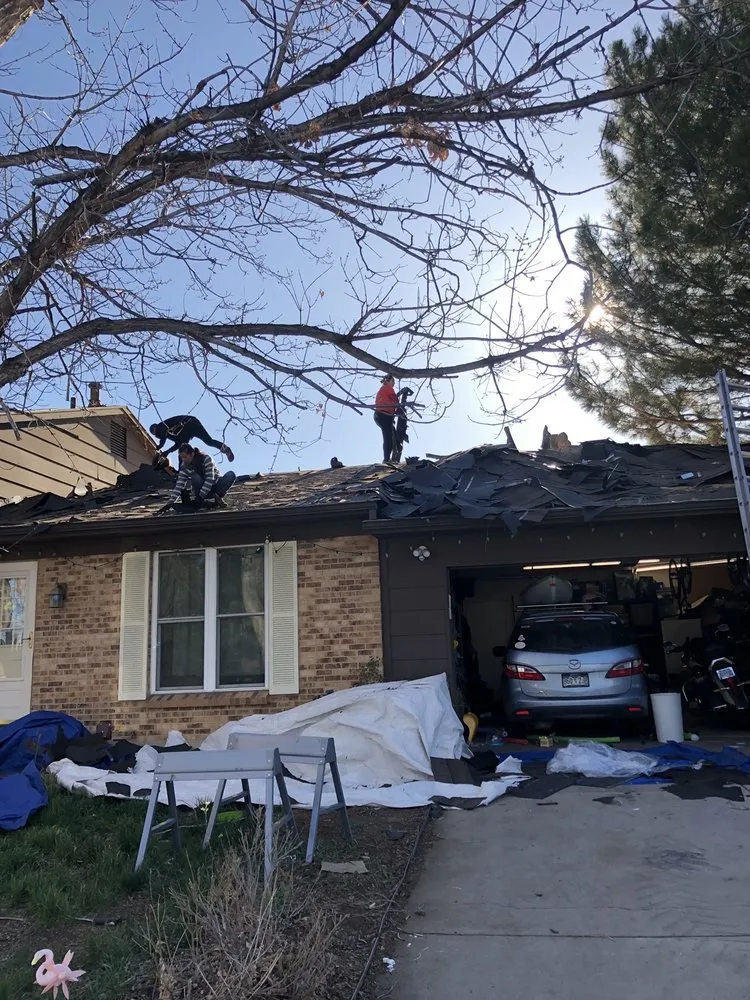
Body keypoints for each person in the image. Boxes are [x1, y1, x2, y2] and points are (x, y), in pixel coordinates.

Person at [168, 444, 236, 508]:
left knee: (231, 475)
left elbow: (210, 479)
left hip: (214, 486)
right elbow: (179, 486)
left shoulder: (206, 459)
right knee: (195, 477)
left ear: (192, 454)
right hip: (200, 491)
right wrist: (169, 503)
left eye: (185, 457)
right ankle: (202, 501)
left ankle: (217, 498)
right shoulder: (184, 467)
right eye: (181, 457)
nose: (183, 459)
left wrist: (201, 496)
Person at [149, 415, 235, 462]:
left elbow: (163, 434)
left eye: (157, 433)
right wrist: (167, 452)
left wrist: (159, 446)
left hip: (189, 423)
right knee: (208, 442)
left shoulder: (162, 426)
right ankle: (225, 449)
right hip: (190, 426)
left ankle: (181, 474)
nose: (158, 435)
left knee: (185, 449)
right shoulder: (169, 433)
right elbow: (178, 444)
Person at [374, 374, 399, 463]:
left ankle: (389, 458)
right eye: (393, 381)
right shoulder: (387, 387)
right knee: (388, 437)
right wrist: (399, 408)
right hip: (383, 414)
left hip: (382, 415)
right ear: (388, 381)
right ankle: (386, 459)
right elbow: (395, 400)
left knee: (391, 436)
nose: (393, 384)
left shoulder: (383, 389)